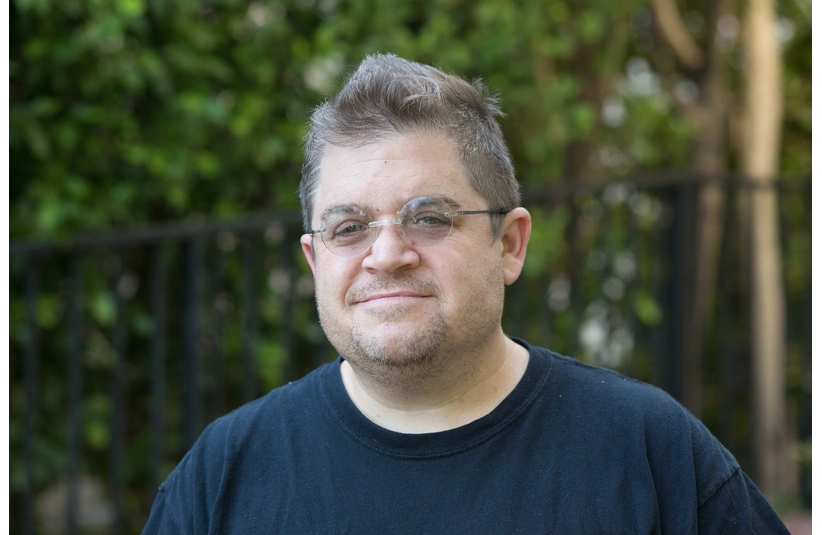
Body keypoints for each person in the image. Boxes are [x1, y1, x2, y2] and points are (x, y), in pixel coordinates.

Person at [142, 53, 789, 533]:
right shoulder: (223, 476)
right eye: (348, 227)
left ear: (509, 244)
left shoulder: (648, 454)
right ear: (315, 260)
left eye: (429, 216)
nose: (387, 254)